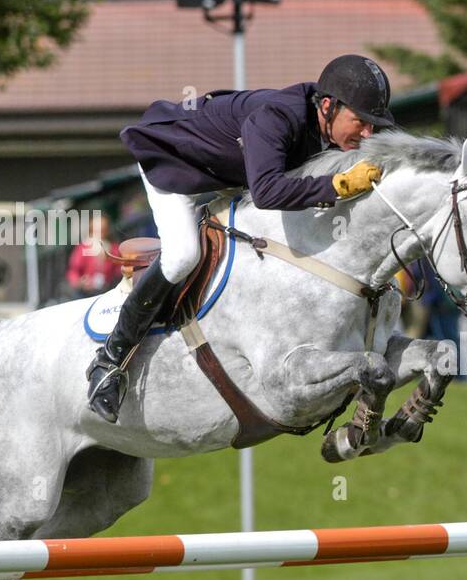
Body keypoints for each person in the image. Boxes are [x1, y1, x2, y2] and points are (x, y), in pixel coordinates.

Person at [88, 54, 394, 424]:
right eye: (360, 121)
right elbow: (266, 193)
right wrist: (337, 185)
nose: (367, 134)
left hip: (227, 178)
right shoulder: (278, 117)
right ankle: (109, 361)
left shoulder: (329, 131)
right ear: (328, 106)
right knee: (183, 256)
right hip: (175, 167)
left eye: (373, 126)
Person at [66, 214, 124, 299]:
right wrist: (80, 282)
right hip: (86, 293)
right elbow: (73, 271)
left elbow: (119, 270)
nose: (99, 232)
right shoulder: (83, 248)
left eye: (102, 229)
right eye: (97, 229)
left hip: (107, 291)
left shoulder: (114, 249)